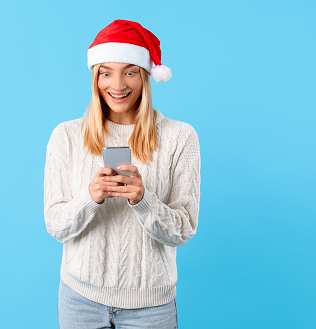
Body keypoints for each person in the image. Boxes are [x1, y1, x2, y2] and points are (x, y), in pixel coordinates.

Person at [44, 19, 201, 329]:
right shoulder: (66, 136)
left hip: (150, 307)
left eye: (130, 71)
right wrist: (89, 198)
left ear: (145, 76)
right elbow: (56, 225)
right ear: (95, 77)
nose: (117, 85)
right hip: (80, 300)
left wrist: (144, 200)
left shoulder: (180, 137)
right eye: (106, 72)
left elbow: (183, 230)